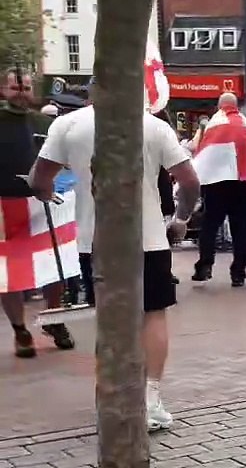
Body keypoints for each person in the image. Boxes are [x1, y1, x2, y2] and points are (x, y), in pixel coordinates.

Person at [30, 82, 200, 430]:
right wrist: (180, 217)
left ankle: (115, 395)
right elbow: (189, 180)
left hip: (96, 241)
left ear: (89, 95)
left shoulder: (68, 125)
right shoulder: (154, 125)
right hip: (148, 237)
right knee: (153, 314)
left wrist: (48, 193)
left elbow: (39, 178)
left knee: (108, 319)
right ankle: (150, 397)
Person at [0, 66, 74, 357]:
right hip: (4, 205)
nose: (21, 93)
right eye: (16, 88)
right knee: (7, 272)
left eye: (26, 88)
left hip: (43, 203)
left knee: (55, 266)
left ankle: (53, 319)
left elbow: (63, 160)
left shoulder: (46, 122)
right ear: (5, 89)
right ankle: (20, 330)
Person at [190, 92, 246, 288]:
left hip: (217, 182)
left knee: (210, 224)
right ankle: (239, 271)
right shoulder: (245, 124)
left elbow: (201, 149)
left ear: (219, 106)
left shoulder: (213, 123)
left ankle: (205, 264)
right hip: (244, 181)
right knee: (241, 228)